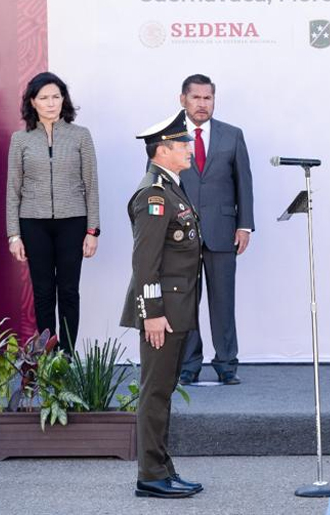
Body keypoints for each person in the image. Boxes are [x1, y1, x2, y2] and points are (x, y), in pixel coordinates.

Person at [120, 110, 204, 499]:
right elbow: (145, 262)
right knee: (155, 392)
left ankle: (162, 468)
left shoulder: (171, 186)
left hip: (176, 309)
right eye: (182, 143)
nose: (189, 147)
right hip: (163, 314)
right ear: (161, 151)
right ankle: (150, 475)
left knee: (163, 391)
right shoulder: (153, 195)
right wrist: (151, 315)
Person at [6, 72, 100, 355]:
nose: (51, 103)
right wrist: (14, 234)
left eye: (56, 97)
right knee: (44, 293)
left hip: (73, 222)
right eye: (44, 98)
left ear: (64, 100)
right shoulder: (21, 139)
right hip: (33, 223)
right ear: (32, 102)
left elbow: (92, 185)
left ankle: (67, 357)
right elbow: (13, 189)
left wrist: (92, 230)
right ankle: (49, 358)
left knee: (69, 291)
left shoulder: (80, 136)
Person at [176, 74, 254, 386]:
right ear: (183, 99)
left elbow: (243, 183)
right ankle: (188, 365)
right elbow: (157, 185)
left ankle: (226, 365)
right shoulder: (168, 135)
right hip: (181, 234)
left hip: (223, 231)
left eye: (207, 98)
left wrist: (244, 225)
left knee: (223, 301)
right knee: (186, 304)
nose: (202, 104)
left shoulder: (232, 135)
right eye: (196, 98)